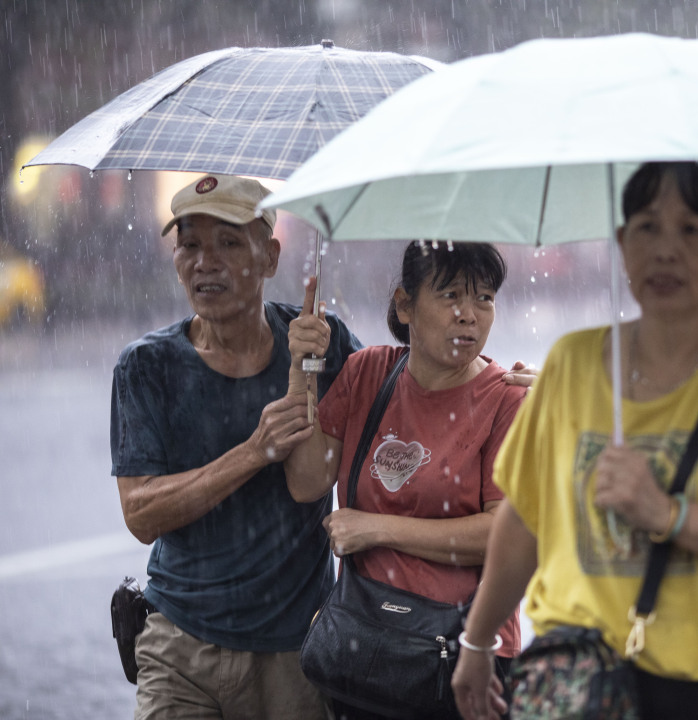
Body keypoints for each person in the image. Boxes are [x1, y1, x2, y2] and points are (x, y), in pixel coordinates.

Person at [451, 161, 698, 720]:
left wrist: (667, 514)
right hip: (577, 686)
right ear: (622, 243)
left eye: (691, 231)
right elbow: (525, 521)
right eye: (647, 229)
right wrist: (478, 641)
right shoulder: (572, 366)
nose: (665, 250)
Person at [110, 173, 363, 720]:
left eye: (228, 243)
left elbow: (404, 400)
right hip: (180, 645)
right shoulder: (147, 366)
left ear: (270, 257)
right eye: (191, 245)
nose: (205, 262)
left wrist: (495, 380)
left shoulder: (324, 340)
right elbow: (141, 514)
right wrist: (253, 452)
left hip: (296, 654)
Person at [285, 240, 528, 720]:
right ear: (405, 304)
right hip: (368, 645)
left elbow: (504, 535)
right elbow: (306, 483)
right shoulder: (367, 372)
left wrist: (376, 527)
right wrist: (303, 370)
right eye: (451, 295)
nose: (469, 315)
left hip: (464, 658)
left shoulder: (506, 400)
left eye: (484, 298)